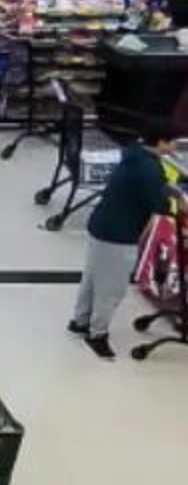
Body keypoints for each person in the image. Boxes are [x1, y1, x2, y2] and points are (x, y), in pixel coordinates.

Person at [69, 123, 181, 360]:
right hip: (119, 234)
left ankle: (80, 321)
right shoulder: (150, 169)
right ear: (161, 142)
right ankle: (97, 335)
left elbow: (151, 186)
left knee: (92, 277)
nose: (174, 148)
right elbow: (161, 206)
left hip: (100, 224)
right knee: (111, 289)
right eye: (173, 143)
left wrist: (168, 189)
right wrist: (175, 201)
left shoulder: (134, 154)